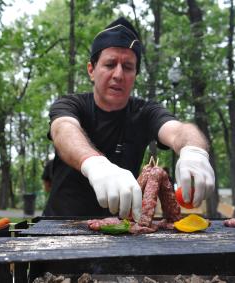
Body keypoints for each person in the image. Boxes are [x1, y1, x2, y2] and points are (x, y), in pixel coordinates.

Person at [44, 17, 215, 222]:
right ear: (91, 70)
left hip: (121, 233)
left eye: (127, 67)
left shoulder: (145, 112)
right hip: (59, 227)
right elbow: (63, 129)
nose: (118, 74)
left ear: (135, 74)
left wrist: (193, 151)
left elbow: (178, 131)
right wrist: (94, 163)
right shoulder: (71, 104)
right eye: (109, 64)